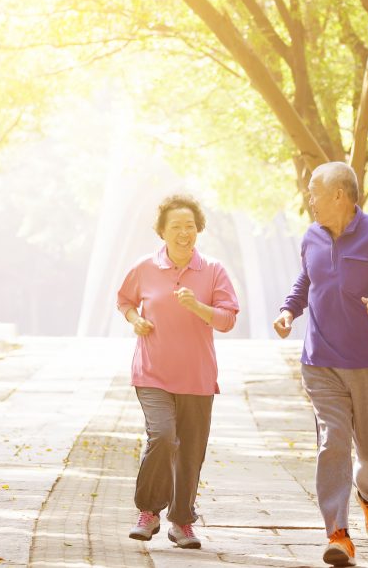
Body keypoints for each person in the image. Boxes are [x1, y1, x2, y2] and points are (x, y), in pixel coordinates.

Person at [273, 162, 368, 567]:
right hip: (321, 361)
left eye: (314, 191)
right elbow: (307, 280)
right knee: (333, 441)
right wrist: (290, 311)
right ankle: (338, 534)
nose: (309, 198)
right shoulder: (312, 236)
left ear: (339, 194)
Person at [116, 194, 239, 550]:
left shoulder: (213, 270)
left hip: (197, 376)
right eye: (176, 227)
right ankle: (149, 512)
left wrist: (197, 306)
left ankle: (182, 522)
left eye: (190, 226)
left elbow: (228, 319)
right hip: (152, 371)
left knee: (190, 452)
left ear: (198, 228)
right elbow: (124, 300)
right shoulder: (145, 267)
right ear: (162, 232)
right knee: (164, 436)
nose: (184, 233)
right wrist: (136, 319)